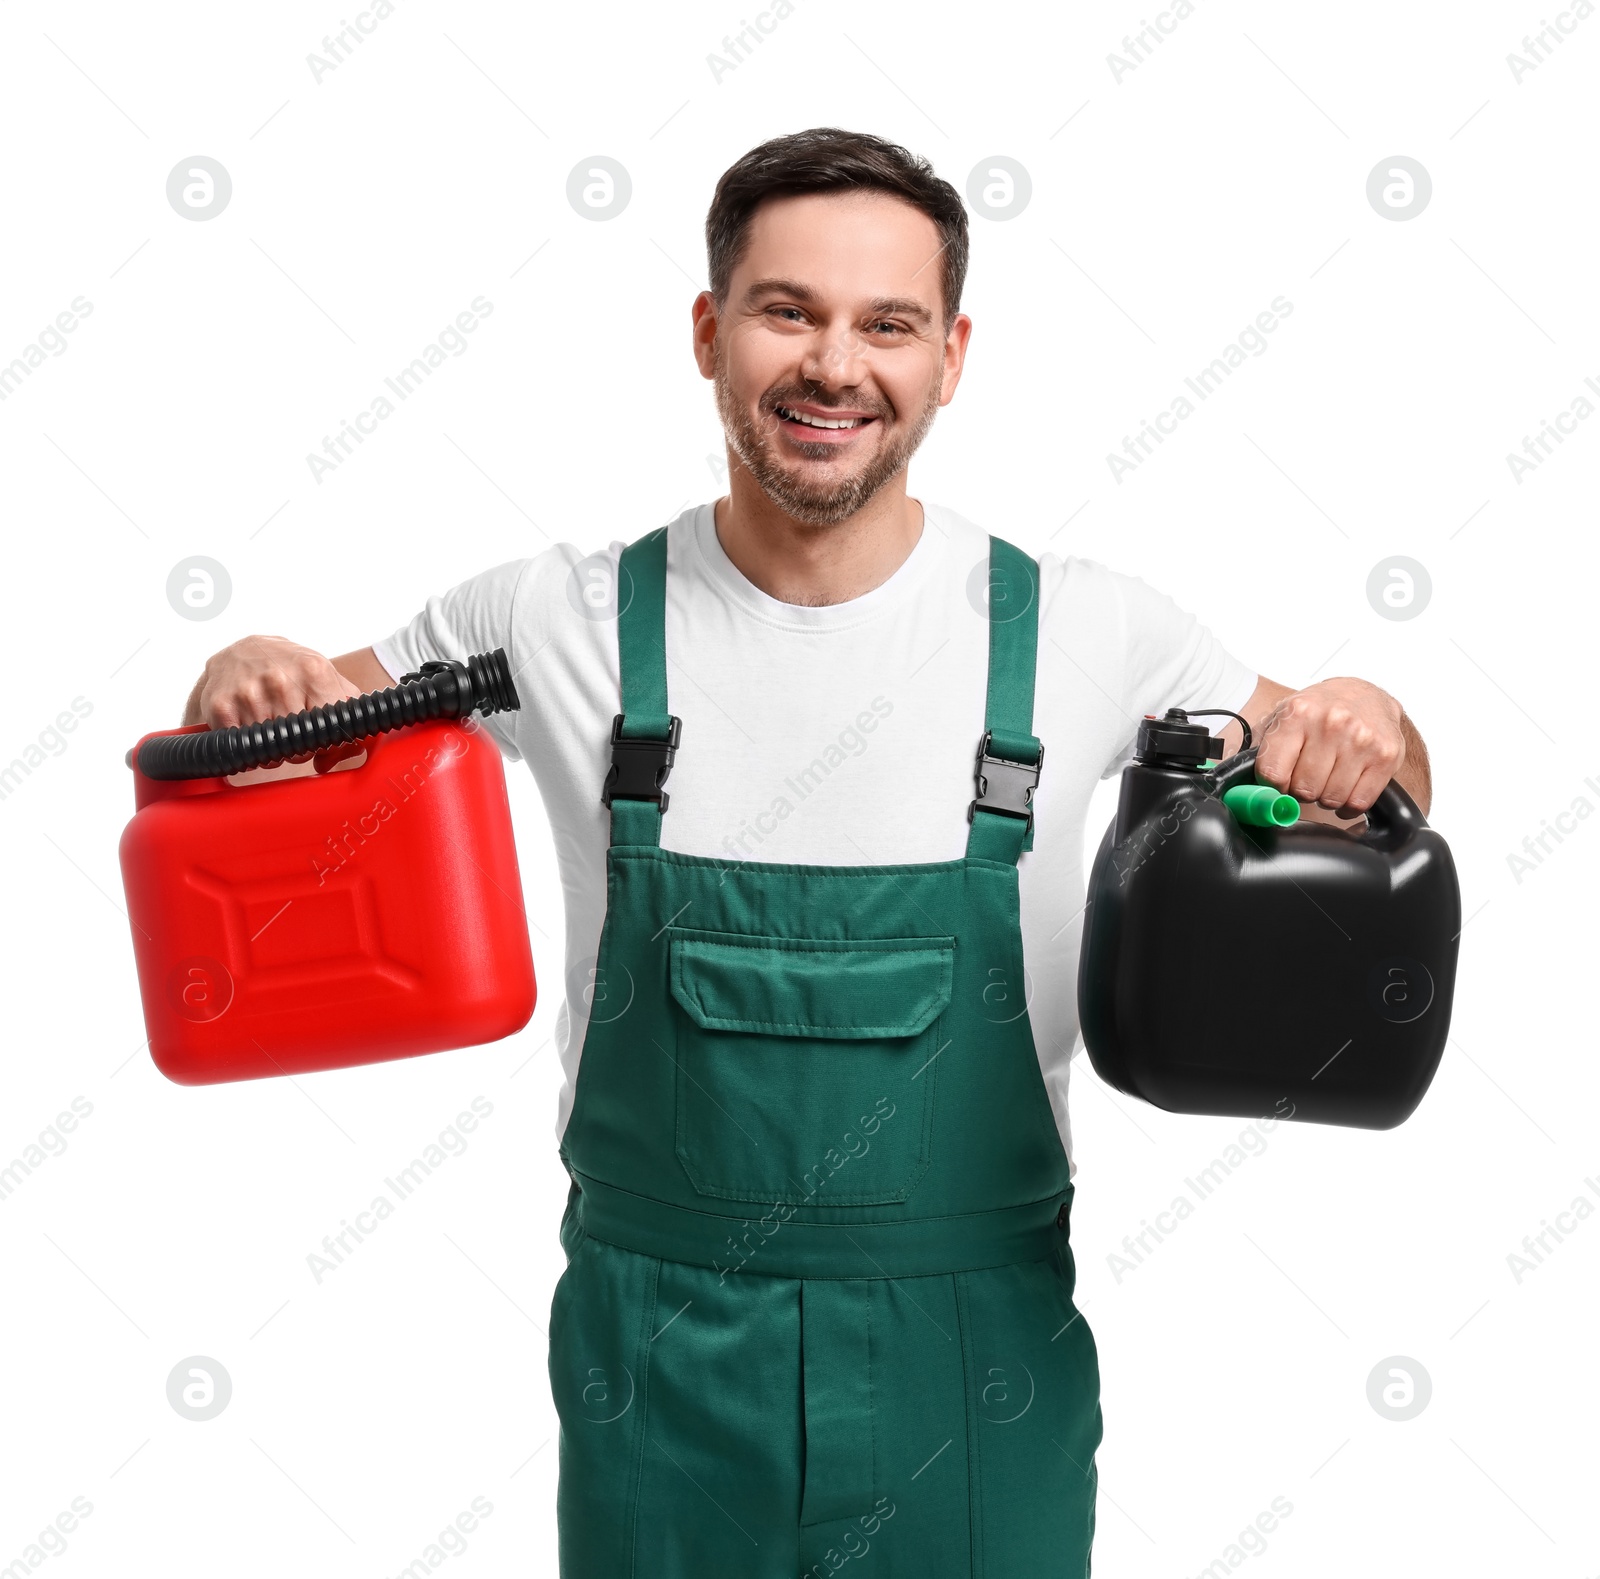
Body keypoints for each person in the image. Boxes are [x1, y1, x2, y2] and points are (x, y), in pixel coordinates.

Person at [184, 127, 1431, 1578]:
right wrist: (248, 671)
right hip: (657, 1358)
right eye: (789, 310)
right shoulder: (551, 619)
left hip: (975, 1364)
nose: (836, 364)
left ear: (951, 356)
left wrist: (1370, 715)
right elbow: (297, 724)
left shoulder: (1091, 629)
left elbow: (1374, 773)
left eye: (887, 323)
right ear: (709, 332)